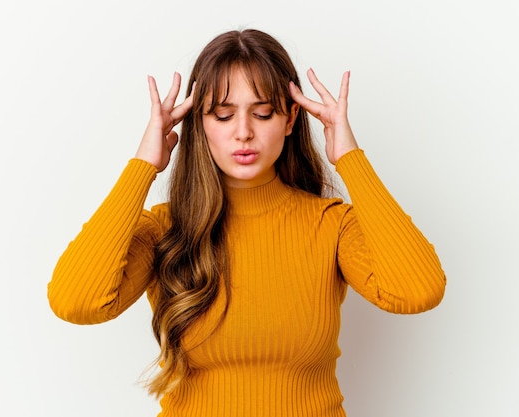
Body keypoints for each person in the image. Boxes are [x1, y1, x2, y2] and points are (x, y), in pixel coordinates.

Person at [48, 28, 446, 417]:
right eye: (222, 115)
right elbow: (76, 302)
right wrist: (143, 166)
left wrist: (350, 157)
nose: (243, 133)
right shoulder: (166, 229)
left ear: (291, 120)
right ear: (200, 125)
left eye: (263, 113)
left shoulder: (331, 225)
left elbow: (417, 291)